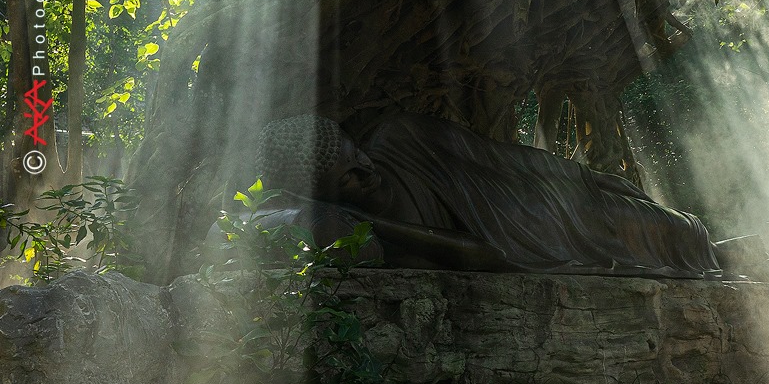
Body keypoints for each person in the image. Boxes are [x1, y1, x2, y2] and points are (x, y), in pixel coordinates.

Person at [247, 113, 724, 277]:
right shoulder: (368, 238)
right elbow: (488, 255)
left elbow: (503, 157)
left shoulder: (401, 136)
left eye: (356, 152)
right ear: (329, 198)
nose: (365, 168)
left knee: (674, 229)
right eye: (348, 177)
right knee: (671, 242)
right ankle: (732, 252)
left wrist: (586, 177)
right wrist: (379, 227)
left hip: (559, 207)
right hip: (547, 248)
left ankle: (725, 251)